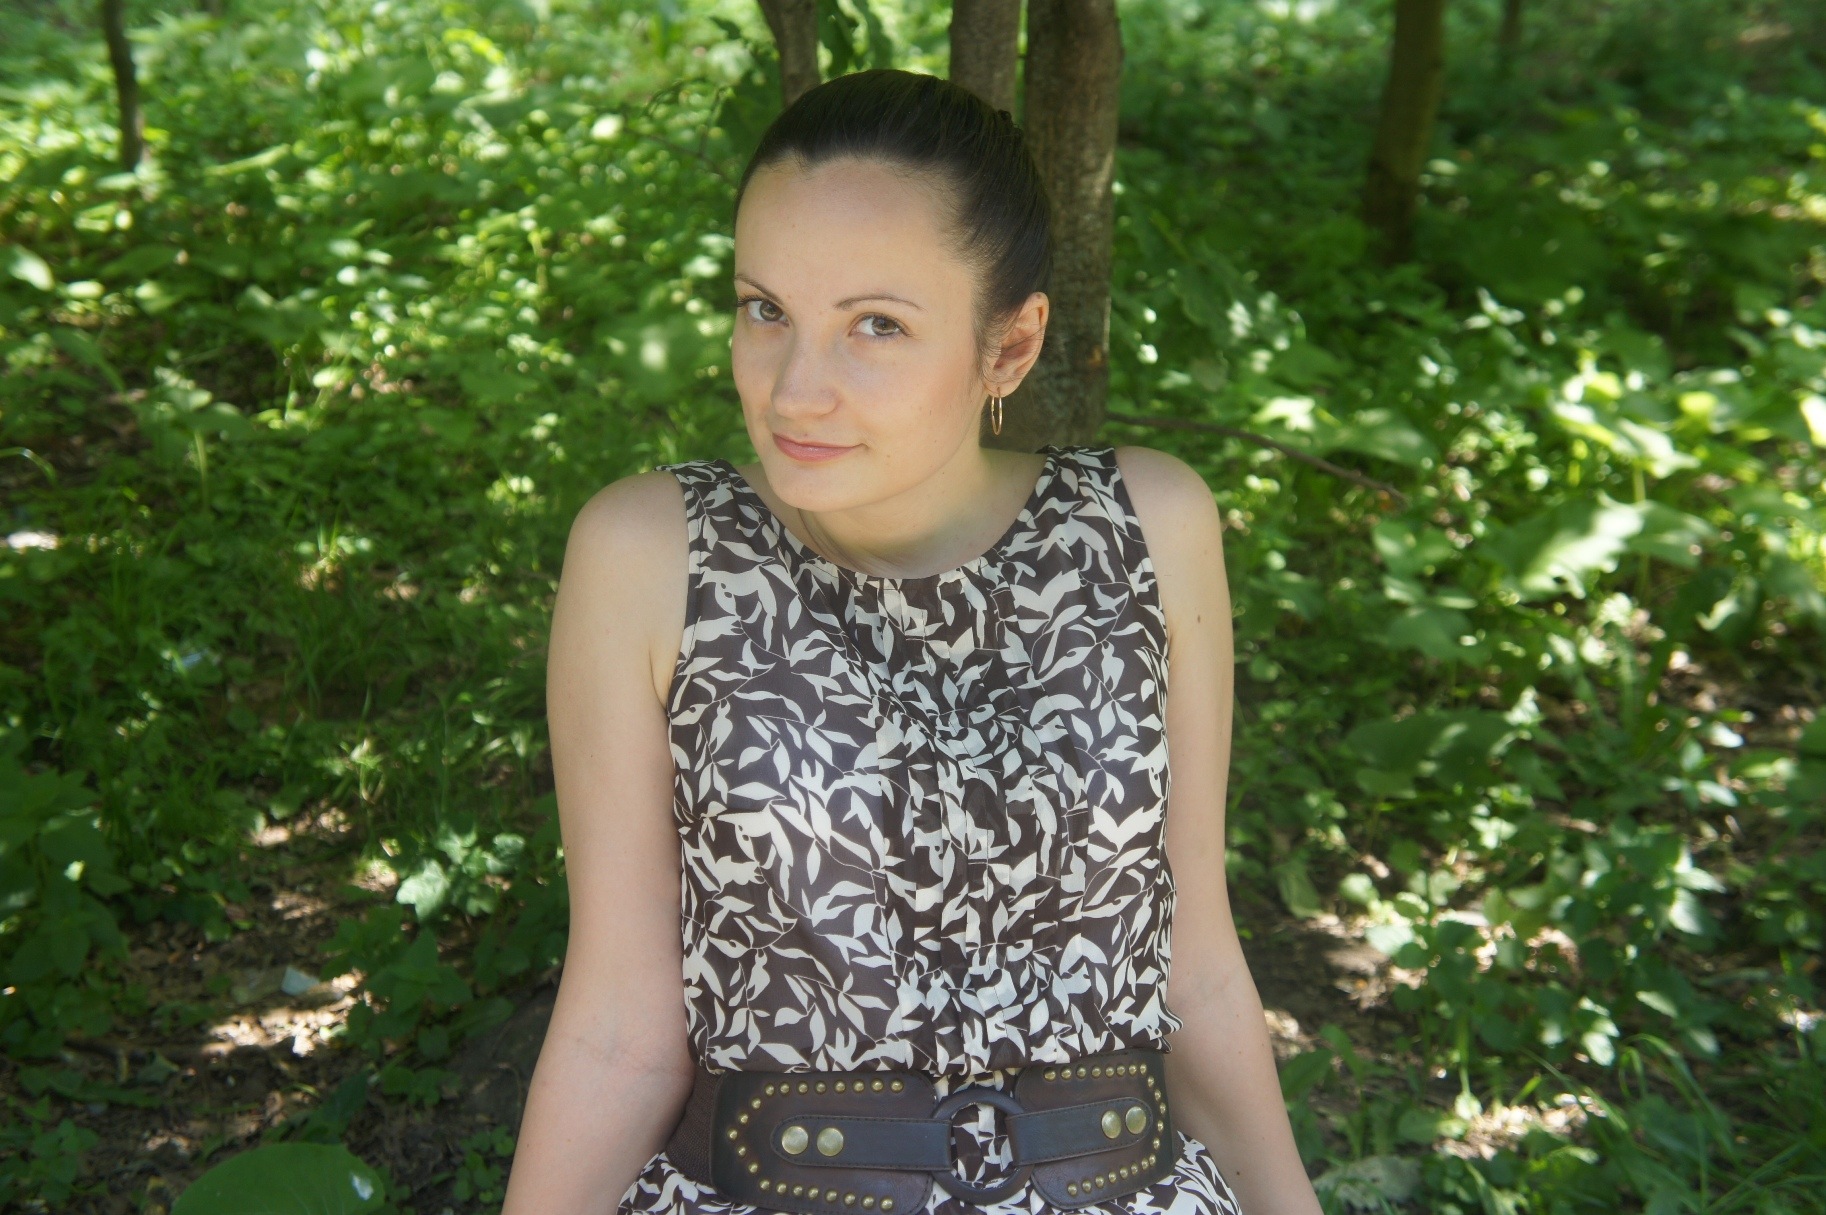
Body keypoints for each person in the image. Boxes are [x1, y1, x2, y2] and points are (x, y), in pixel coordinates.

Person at [503, 68, 1320, 1215]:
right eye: (764, 310)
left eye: (875, 326)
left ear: (1009, 347)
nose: (795, 390)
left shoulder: (1146, 527)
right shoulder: (652, 554)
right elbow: (617, 1032)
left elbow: (1197, 969)